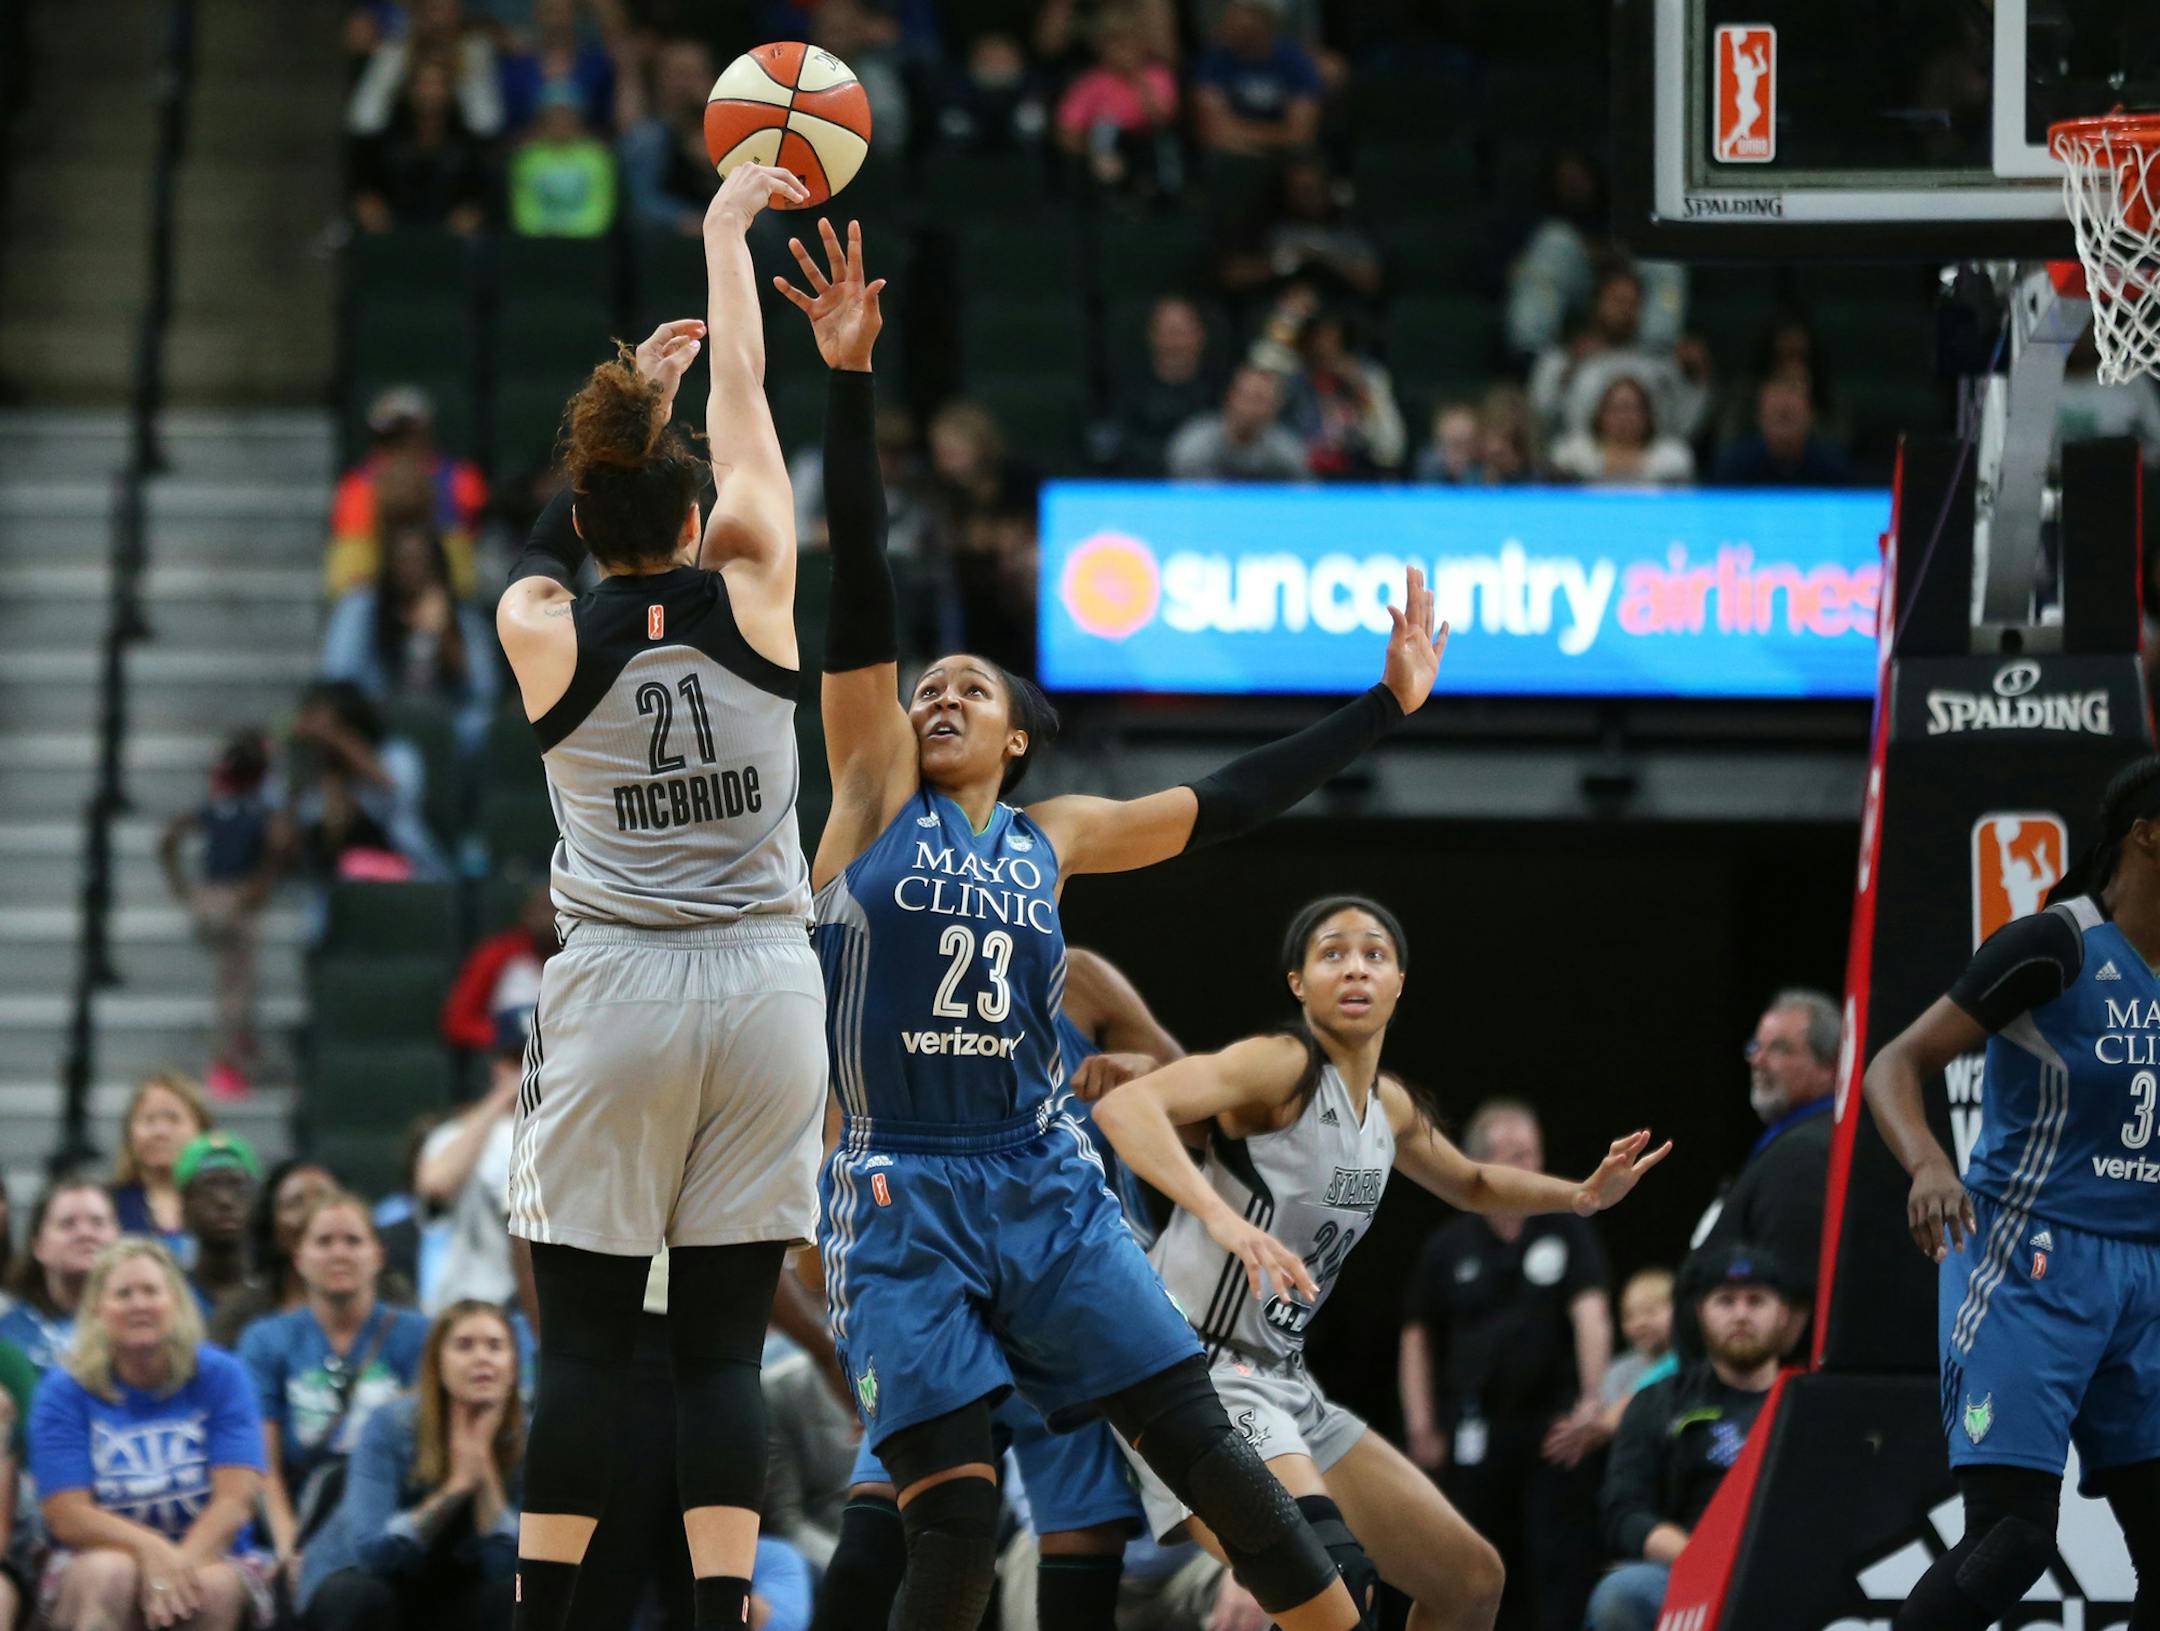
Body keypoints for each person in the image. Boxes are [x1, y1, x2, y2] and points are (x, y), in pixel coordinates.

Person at [784, 216, 1444, 1631]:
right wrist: (848, 382)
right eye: (929, 686)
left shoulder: (1055, 836)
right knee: (948, 1521)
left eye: (971, 686)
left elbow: (1230, 799)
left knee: (1208, 1446)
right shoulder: (867, 801)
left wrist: (1378, 709)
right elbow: (858, 595)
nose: (938, 695)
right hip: (900, 1183)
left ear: (1022, 737)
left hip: (1043, 1173)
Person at [493, 158, 830, 1631]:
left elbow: (537, 548)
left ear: (583, 522)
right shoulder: (757, 590)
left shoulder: (542, 629)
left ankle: (545, 1613)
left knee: (580, 1344)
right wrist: (722, 242)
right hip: (765, 984)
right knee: (714, 1348)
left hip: (618, 981)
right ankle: (718, 1612)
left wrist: (626, 406)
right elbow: (753, 401)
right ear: (698, 518)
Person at [1090, 896, 1668, 1631]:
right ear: (1298, 982)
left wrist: (1583, 1195)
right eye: (1332, 952)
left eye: (1374, 953)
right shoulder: (1282, 1063)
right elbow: (1126, 1109)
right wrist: (1223, 1218)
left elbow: (1473, 1181)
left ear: (1399, 981)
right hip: (1192, 1373)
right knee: (1330, 1582)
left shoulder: (1387, 1107)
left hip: (1279, 1379)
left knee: (1469, 1581)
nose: (1355, 966)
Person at [1862, 754, 2160, 1631]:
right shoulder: (2057, 943)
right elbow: (1895, 1063)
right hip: (2028, 1259)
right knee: (2014, 1540)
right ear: (2148, 836)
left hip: (2142, 1274)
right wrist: (1927, 1162)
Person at [805, 944, 1184, 1631]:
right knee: (873, 1559)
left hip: (1073, 1299)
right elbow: (830, 1214)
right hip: (936, 1304)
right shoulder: (868, 997)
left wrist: (1146, 1074)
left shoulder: (1081, 977)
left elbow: (1204, 1108)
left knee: (1075, 1595)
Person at [1397, 1102, 1615, 1631]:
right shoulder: (1448, 1247)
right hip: (1473, 1431)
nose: (1532, 1163)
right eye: (1516, 1154)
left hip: (1552, 1429)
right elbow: (1417, 1337)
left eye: (1534, 1152)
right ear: (1479, 1163)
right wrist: (1421, 1424)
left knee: (1556, 1560)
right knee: (1475, 1563)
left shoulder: (1566, 1228)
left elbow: (1591, 1311)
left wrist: (1592, 1398)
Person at [28, 1238, 272, 1630]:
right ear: (97, 1309)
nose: (139, 1304)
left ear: (175, 1302)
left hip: (210, 1553)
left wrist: (176, 1569)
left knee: (210, 1589)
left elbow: (235, 1502)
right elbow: (66, 1514)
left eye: (151, 1291)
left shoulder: (223, 1375)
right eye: (123, 1293)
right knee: (111, 1573)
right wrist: (151, 1549)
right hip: (94, 1558)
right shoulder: (63, 1390)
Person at [1586, 1246, 1795, 1631]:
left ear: (1784, 1313)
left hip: (1795, 1572)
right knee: (1621, 1594)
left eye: (1756, 1300)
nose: (1741, 1314)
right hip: (1687, 1572)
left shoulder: (1812, 1401)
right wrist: (1703, 1560)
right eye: (1726, 1301)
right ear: (1700, 1312)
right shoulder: (1657, 1401)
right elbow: (1623, 1512)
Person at [238, 1193, 431, 1589]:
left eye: (353, 1241)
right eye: (324, 1242)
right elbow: (263, 1463)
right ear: (299, 1257)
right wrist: (289, 1544)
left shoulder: (419, 1336)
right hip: (303, 1519)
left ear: (378, 1254)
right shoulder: (266, 1340)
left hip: (392, 1517)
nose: (338, 1253)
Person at [296, 1300, 524, 1630]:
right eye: (464, 1346)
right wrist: (458, 1486)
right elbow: (372, 1554)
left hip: (460, 1593)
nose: (482, 1358)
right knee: (359, 1596)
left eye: (495, 1346)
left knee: (512, 1597)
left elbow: (508, 1566)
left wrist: (483, 1472)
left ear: (514, 1363)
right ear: (437, 1362)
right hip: (371, 1583)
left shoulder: (526, 1435)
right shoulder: (390, 1425)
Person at [1692, 987, 1840, 1333]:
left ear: (1829, 1066)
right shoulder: (1790, 1141)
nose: (1757, 1060)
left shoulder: (1803, 1155)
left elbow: (1791, 1287)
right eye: (1756, 1046)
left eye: (1779, 1049)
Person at [158, 732, 280, 1100]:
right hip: (237, 900)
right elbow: (280, 846)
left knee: (234, 983)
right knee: (235, 988)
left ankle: (242, 1050)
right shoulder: (259, 814)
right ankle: (226, 1064)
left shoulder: (212, 811)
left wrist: (182, 887)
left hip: (209, 898)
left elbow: (168, 840)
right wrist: (261, 884)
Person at [320, 522, 500, 754]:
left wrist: (444, 634)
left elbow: (484, 689)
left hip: (446, 721)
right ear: (390, 566)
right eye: (405, 561)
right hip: (382, 718)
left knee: (478, 726)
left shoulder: (463, 616)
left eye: (422, 561)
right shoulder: (364, 609)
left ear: (437, 565)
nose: (413, 570)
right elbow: (338, 676)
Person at [326, 388, 489, 601]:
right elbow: (346, 578)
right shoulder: (355, 486)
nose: (401, 445)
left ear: (425, 433)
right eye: (391, 437)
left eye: (407, 434)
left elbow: (465, 576)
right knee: (356, 603)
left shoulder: (462, 479)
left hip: (446, 597)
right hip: (376, 599)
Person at [414, 1009, 525, 1311]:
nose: (527, 1069)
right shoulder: (457, 1135)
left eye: (537, 1056)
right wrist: (503, 1096)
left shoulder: (572, 1131)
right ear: (496, 1066)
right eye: (516, 1059)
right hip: (473, 1303)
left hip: (545, 1307)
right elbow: (435, 1186)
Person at [208, 1161, 336, 1349]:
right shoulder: (240, 1314)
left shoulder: (387, 1302)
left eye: (324, 1199)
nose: (312, 1213)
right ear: (270, 1225)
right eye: (295, 1203)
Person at [1, 1182, 120, 1375]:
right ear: (38, 1246)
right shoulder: (8, 1332)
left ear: (118, 1237)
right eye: (68, 1224)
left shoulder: (142, 1321)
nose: (85, 1233)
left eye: (98, 1222)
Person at [1108, 296, 1224, 477]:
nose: (1175, 342)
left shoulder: (1222, 391)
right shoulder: (1127, 390)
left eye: (1181, 332)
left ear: (1200, 335)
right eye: (1168, 332)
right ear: (1152, 335)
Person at [1190, 0, 1321, 159]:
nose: (1230, 19)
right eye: (1231, 11)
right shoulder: (1213, 62)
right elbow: (1213, 132)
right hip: (1234, 158)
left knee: (1304, 168)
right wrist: (1279, 133)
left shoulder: (1295, 62)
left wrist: (1239, 134)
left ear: (1264, 19)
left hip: (1284, 158)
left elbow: (1300, 134)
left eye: (1241, 13)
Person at [617, 36, 717, 237]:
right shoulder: (647, 138)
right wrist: (685, 218)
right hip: (668, 243)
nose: (687, 85)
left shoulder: (729, 136)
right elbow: (642, 203)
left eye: (696, 74)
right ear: (661, 80)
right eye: (679, 75)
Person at [110, 1073, 214, 1265]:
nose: (160, 1132)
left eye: (173, 1119)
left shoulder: (221, 1203)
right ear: (129, 1133)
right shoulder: (109, 1203)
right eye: (148, 1120)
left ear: (201, 1130)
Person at [508, 81, 618, 237]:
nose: (560, 122)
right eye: (553, 115)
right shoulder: (527, 158)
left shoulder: (597, 157)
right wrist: (547, 233)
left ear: (579, 118)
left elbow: (600, 211)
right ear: (541, 119)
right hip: (538, 244)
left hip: (587, 244)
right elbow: (524, 213)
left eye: (566, 115)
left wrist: (573, 234)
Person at [1166, 366, 1310, 483]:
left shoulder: (1288, 454)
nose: (1251, 408)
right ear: (1230, 397)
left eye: (1261, 400)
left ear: (1275, 408)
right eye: (1247, 397)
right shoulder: (1195, 446)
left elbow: (1305, 500)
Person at [1547, 375, 1694, 488]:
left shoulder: (1671, 457)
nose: (1624, 417)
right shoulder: (1572, 454)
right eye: (1617, 409)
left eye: (1632, 409)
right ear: (1600, 414)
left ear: (1647, 415)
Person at [1710, 376, 1856, 487]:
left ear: (1810, 417)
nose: (1784, 429)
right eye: (1777, 417)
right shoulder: (1734, 466)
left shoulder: (1832, 467)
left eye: (1791, 416)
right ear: (1760, 418)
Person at [177, 1134, 263, 1318]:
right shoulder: (172, 1298)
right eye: (209, 1186)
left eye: (238, 1186)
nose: (225, 1200)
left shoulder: (275, 1297)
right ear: (184, 1206)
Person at [1600, 1269, 1676, 1414]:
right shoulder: (1617, 1373)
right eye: (1629, 1316)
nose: (1639, 1323)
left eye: (1650, 1312)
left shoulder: (1694, 1365)